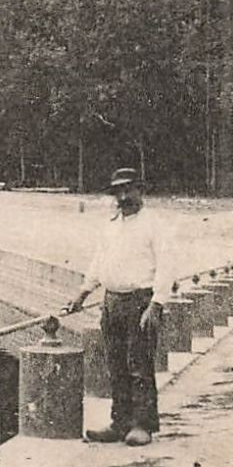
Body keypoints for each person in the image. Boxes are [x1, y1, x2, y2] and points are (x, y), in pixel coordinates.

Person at [64, 167, 171, 447]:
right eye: (118, 192)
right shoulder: (111, 225)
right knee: (115, 365)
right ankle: (119, 422)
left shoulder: (154, 224)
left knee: (139, 365)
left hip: (140, 301)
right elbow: (99, 262)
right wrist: (83, 293)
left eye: (128, 189)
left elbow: (166, 266)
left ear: (140, 190)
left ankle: (142, 425)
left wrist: (156, 304)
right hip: (111, 302)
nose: (123, 196)